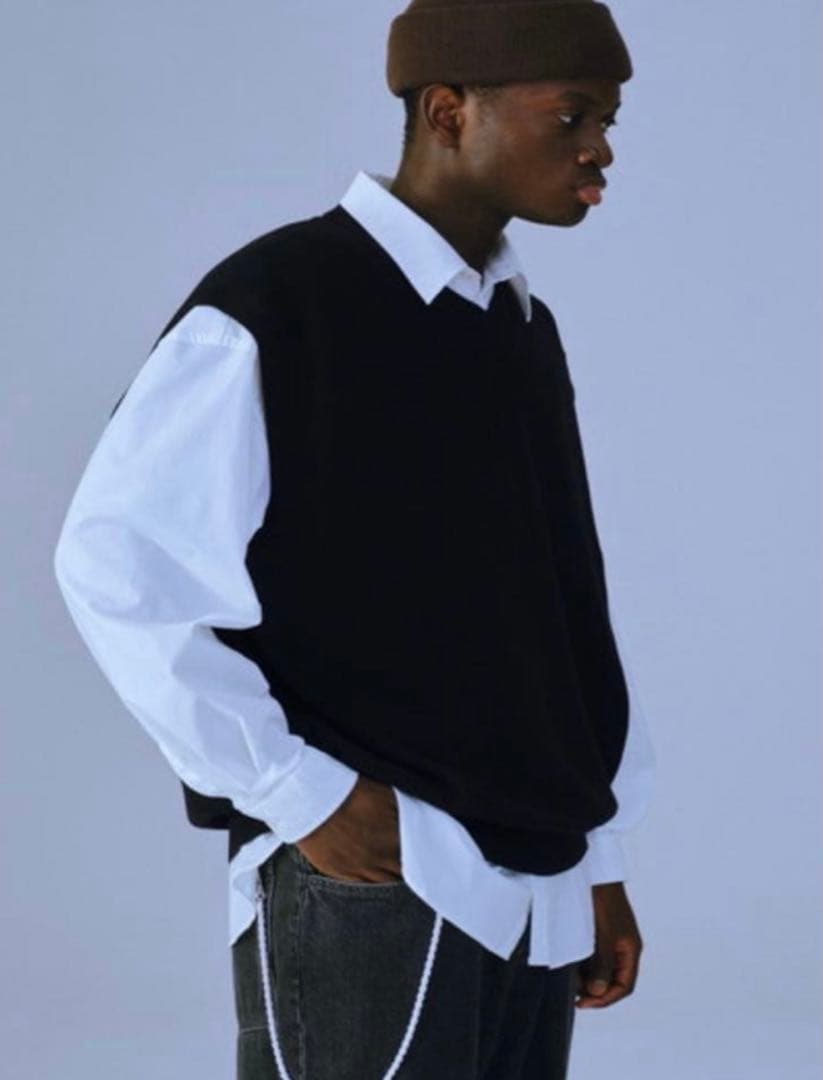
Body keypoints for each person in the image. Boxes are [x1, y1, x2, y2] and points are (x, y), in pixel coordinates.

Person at [53, 0, 656, 1076]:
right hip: (373, 878)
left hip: (534, 890)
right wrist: (300, 795)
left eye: (607, 120)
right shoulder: (281, 302)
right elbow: (118, 565)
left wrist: (592, 856)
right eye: (571, 115)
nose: (599, 147)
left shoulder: (518, 328)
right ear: (448, 111)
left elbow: (561, 611)